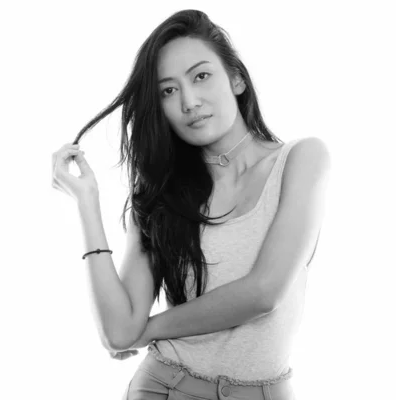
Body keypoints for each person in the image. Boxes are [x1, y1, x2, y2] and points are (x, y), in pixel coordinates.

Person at [51, 9, 330, 400]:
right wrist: (87, 203)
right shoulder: (160, 195)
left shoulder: (302, 159)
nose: (189, 101)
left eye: (201, 76)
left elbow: (265, 292)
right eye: (168, 90)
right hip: (163, 387)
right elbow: (117, 332)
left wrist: (149, 329)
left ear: (236, 79)